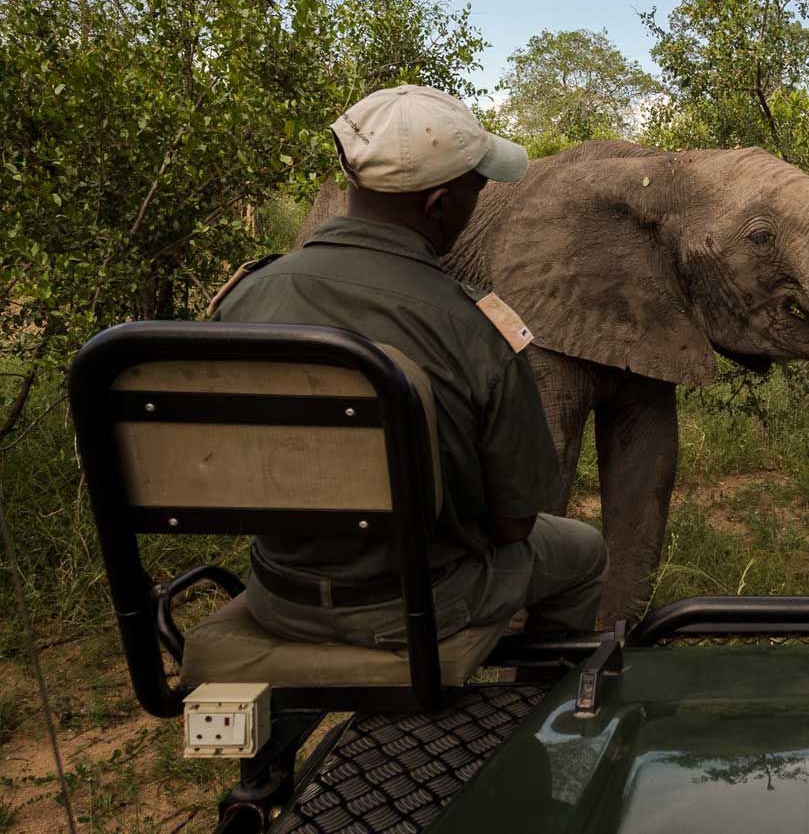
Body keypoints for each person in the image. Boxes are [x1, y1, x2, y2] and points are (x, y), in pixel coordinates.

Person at [211, 84, 607, 647]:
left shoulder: (243, 298)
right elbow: (514, 523)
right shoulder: (477, 330)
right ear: (438, 204)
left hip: (279, 594)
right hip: (420, 602)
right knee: (583, 551)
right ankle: (536, 693)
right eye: (476, 190)